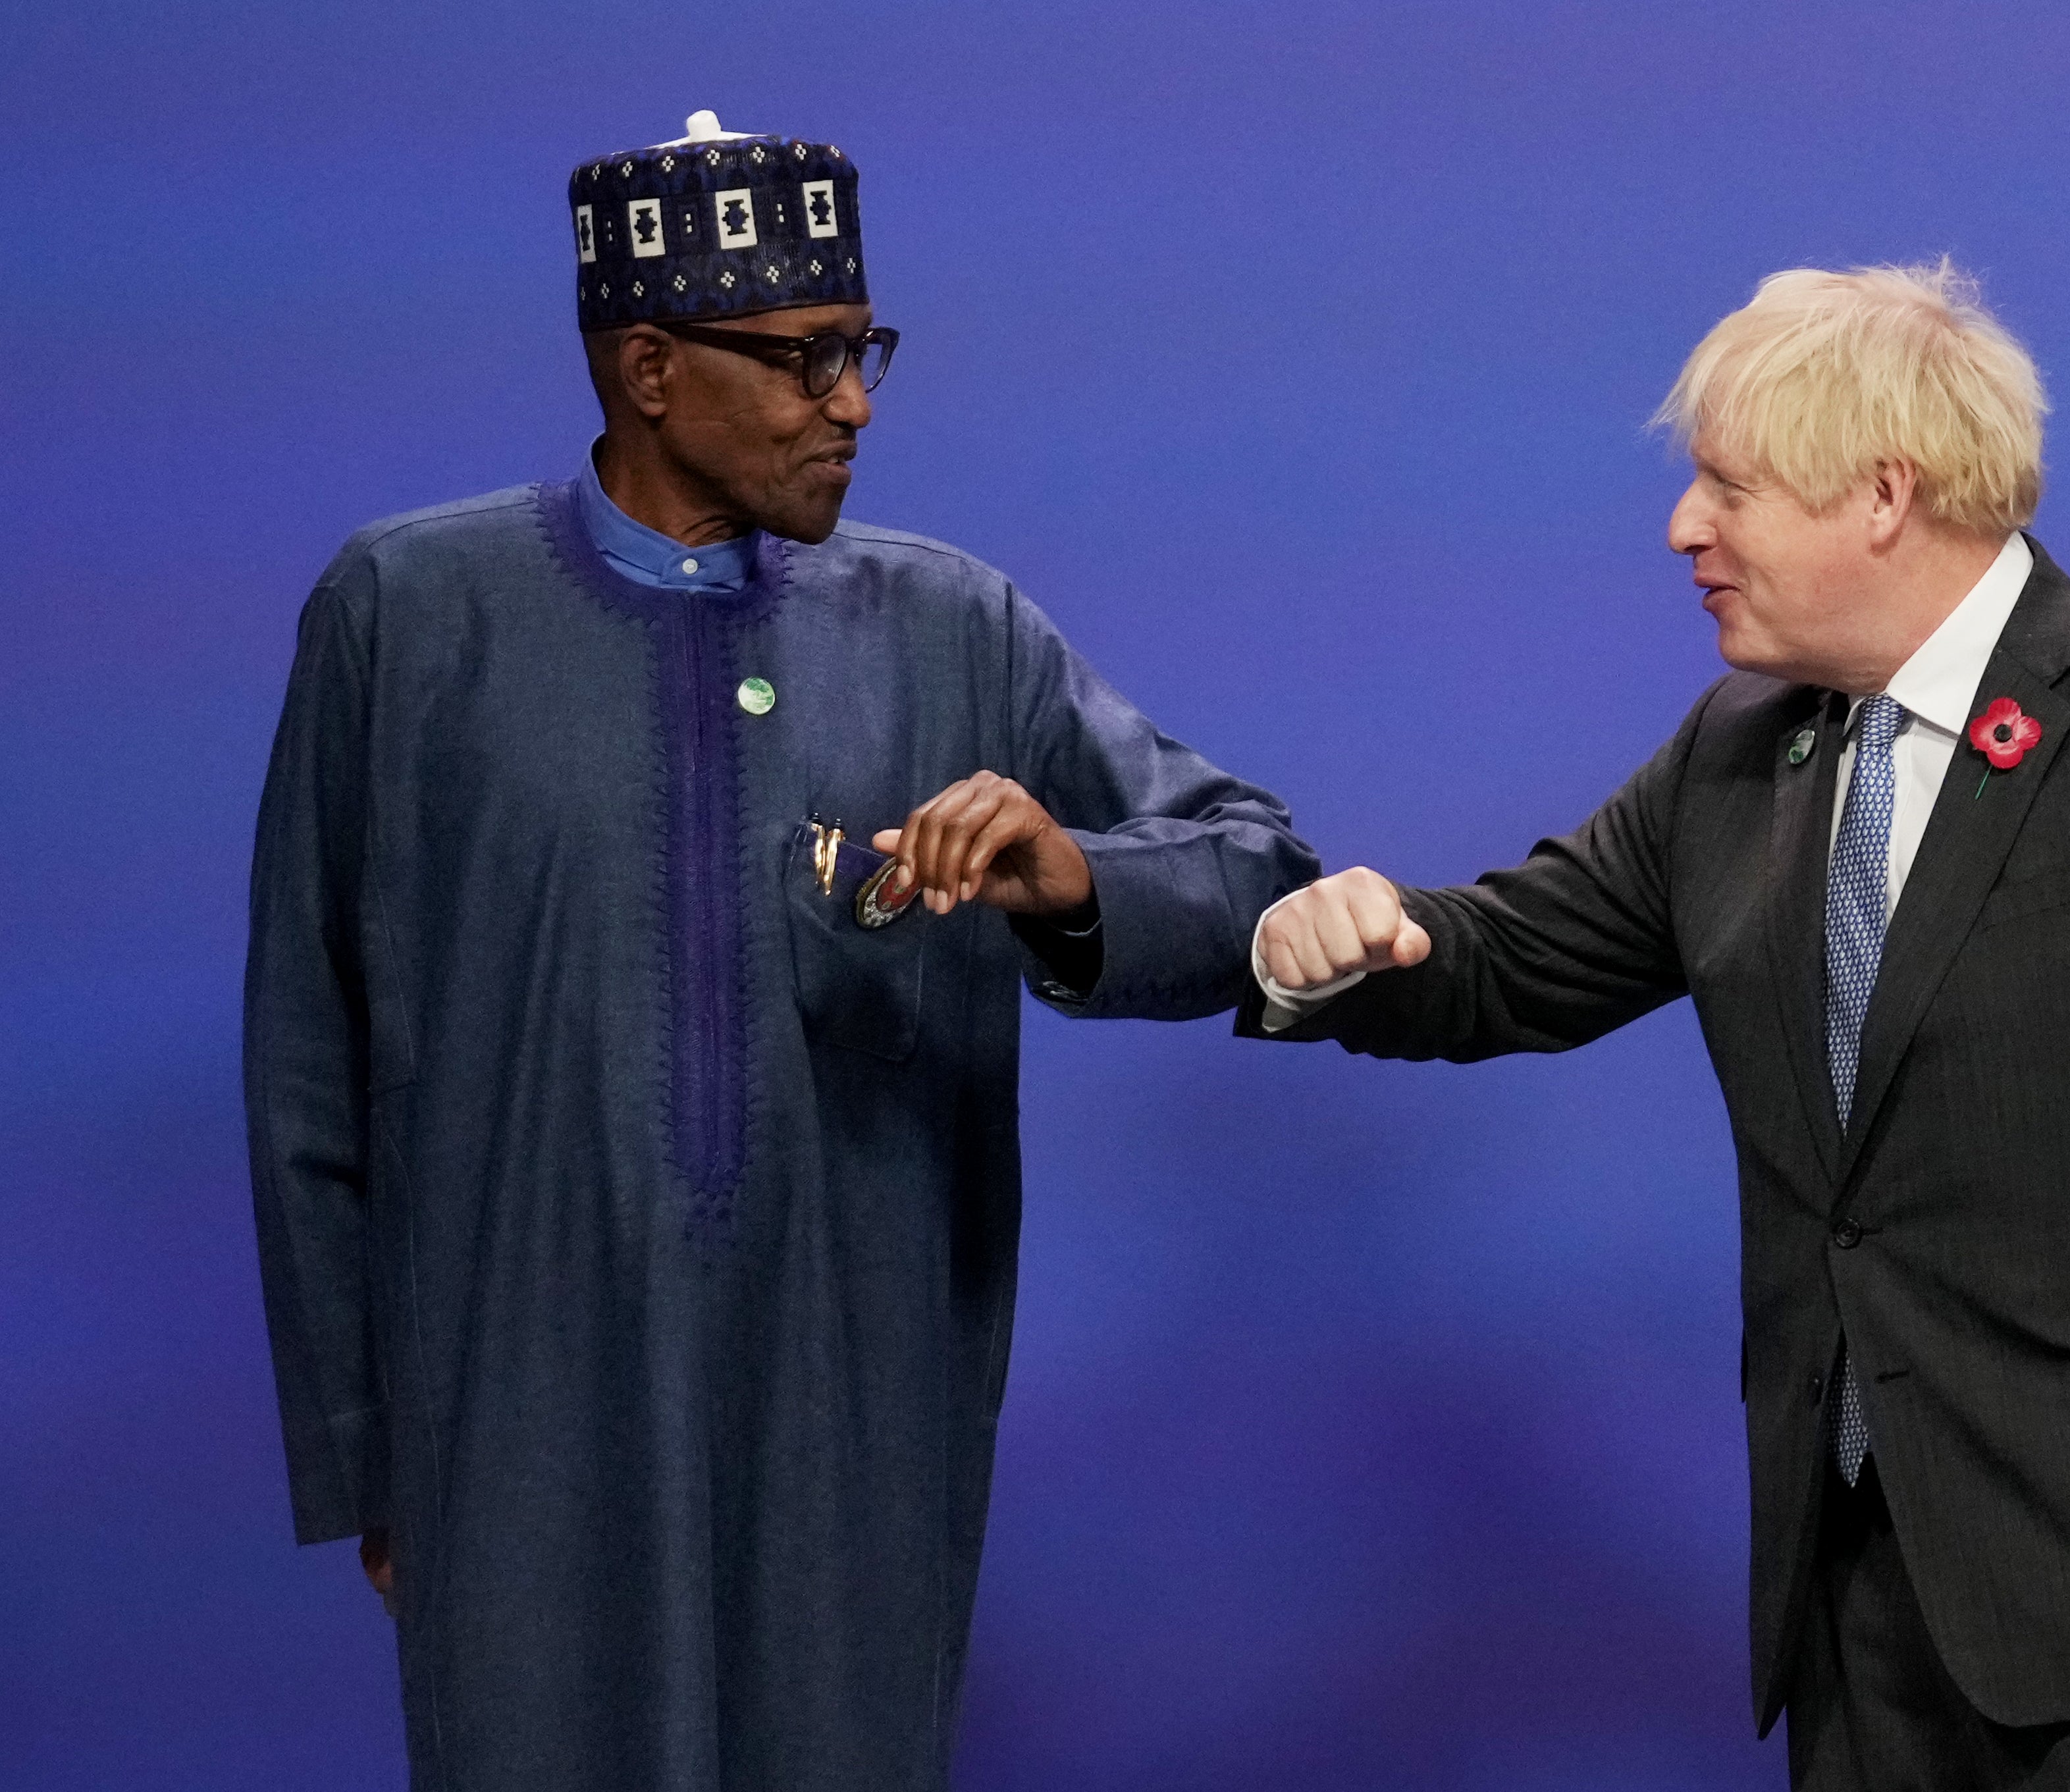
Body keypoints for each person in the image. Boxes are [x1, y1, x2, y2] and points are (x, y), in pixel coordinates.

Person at [1246, 260, 2070, 1789]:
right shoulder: (1740, 749)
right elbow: (1506, 957)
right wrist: (1314, 942)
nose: (1682, 529)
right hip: (1861, 1606)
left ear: (1880, 494)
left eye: (1727, 486)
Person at [244, 111, 1317, 1791]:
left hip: (853, 1420)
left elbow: (1255, 869)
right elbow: (311, 1057)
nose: (855, 404)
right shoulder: (408, 616)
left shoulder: (951, 625)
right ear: (650, 367)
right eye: (805, 359)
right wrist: (374, 1457)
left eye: (863, 350)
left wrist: (1066, 877)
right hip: (518, 1432)